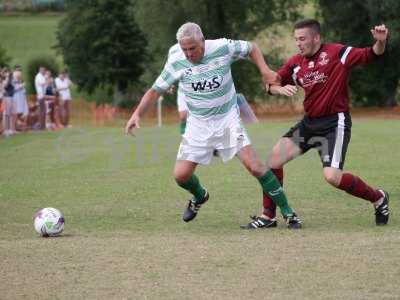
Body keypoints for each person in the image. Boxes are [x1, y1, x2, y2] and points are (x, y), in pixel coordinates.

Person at [125, 22, 302, 228]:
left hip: (226, 120)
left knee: (255, 167)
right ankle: (200, 196)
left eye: (193, 48)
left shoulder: (221, 47)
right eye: (185, 49)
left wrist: (264, 70)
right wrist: (137, 114)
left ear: (203, 41)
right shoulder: (176, 61)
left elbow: (251, 47)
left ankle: (289, 214)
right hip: (198, 125)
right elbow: (155, 90)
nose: (189, 53)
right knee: (181, 176)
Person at [242, 19, 390, 229]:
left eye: (302, 39)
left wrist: (380, 42)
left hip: (334, 123)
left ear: (316, 38)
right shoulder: (296, 62)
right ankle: (268, 216)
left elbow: (371, 54)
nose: (298, 43)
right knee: (274, 160)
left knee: (332, 177)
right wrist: (277, 89)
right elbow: (271, 82)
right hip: (309, 124)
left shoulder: (338, 53)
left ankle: (378, 198)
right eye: (296, 40)